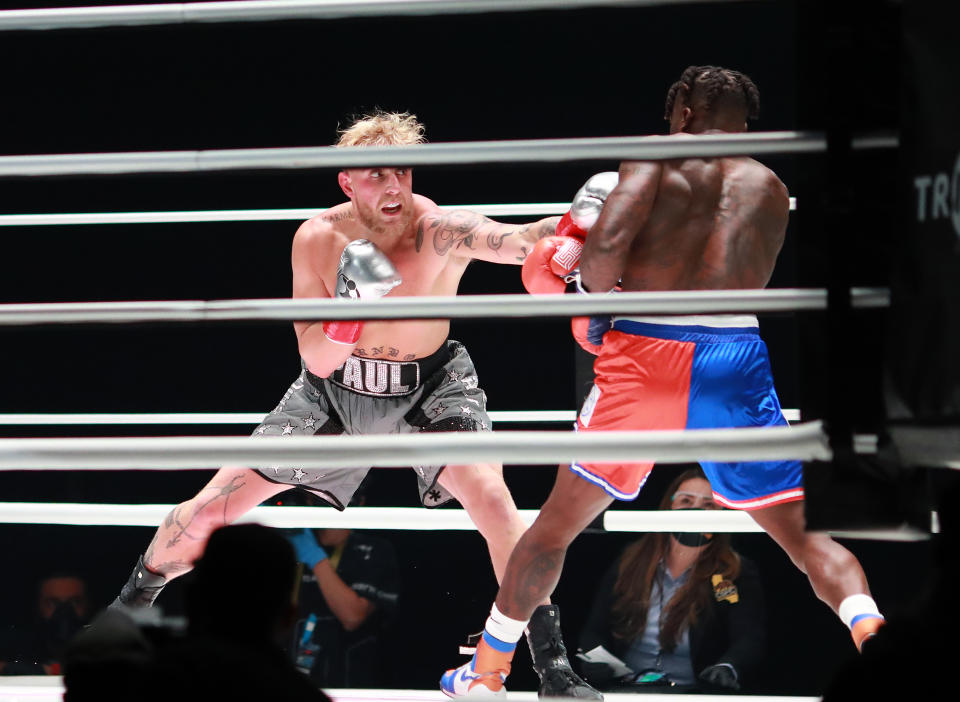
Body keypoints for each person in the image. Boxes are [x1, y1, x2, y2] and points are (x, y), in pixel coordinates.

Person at [110, 110, 598, 698]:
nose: (393, 187)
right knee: (207, 512)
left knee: (495, 499)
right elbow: (315, 357)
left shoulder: (438, 228)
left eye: (401, 173)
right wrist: (351, 309)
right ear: (347, 182)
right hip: (332, 395)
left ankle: (553, 667)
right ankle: (117, 628)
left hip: (430, 386)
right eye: (375, 176)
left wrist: (572, 231)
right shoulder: (317, 239)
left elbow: (514, 239)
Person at [441, 66, 885, 697]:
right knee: (802, 530)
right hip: (736, 355)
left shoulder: (654, 159)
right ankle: (875, 636)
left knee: (557, 525)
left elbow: (601, 259)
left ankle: (487, 671)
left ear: (682, 107)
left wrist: (588, 294)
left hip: (648, 351)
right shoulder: (772, 187)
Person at [576, 468, 765, 692]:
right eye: (686, 501)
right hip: (627, 689)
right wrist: (597, 662)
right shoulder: (631, 560)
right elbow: (594, 629)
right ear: (669, 506)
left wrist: (728, 666)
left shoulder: (734, 571)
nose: (696, 511)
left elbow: (749, 637)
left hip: (693, 694)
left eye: (708, 505)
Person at [285, 485, 401, 687]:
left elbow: (352, 617)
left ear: (360, 501)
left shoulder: (375, 550)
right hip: (292, 678)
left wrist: (316, 559)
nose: (330, 502)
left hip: (350, 679)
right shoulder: (290, 543)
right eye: (320, 494)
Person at [0, 571, 91, 675]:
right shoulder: (13, 644)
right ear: (37, 606)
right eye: (53, 603)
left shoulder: (101, 645)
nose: (64, 611)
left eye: (74, 602)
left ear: (87, 605)